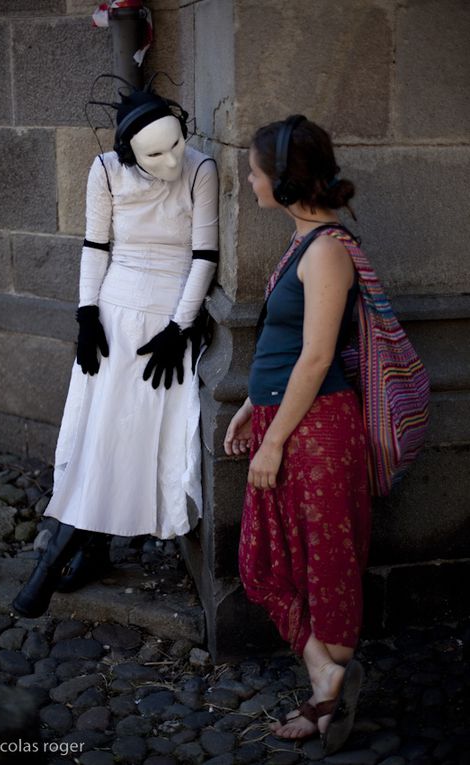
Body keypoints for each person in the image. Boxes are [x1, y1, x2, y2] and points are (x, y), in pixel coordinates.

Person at [12, 86, 218, 618]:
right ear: (129, 152)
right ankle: (84, 551)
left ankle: (53, 562)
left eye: (176, 144)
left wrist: (181, 325)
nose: (172, 159)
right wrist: (85, 315)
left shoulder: (201, 170)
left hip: (168, 321)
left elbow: (204, 254)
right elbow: (96, 245)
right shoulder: (104, 170)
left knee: (133, 434)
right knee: (100, 432)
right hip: (113, 315)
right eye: (155, 153)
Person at [224, 115, 371, 755]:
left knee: (324, 562)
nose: (249, 181)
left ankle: (327, 690)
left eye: (255, 171)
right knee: (266, 562)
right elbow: (285, 348)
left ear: (284, 179)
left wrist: (275, 441)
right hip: (286, 417)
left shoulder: (330, 251)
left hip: (315, 431)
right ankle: (327, 674)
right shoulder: (304, 242)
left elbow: (316, 358)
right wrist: (250, 406)